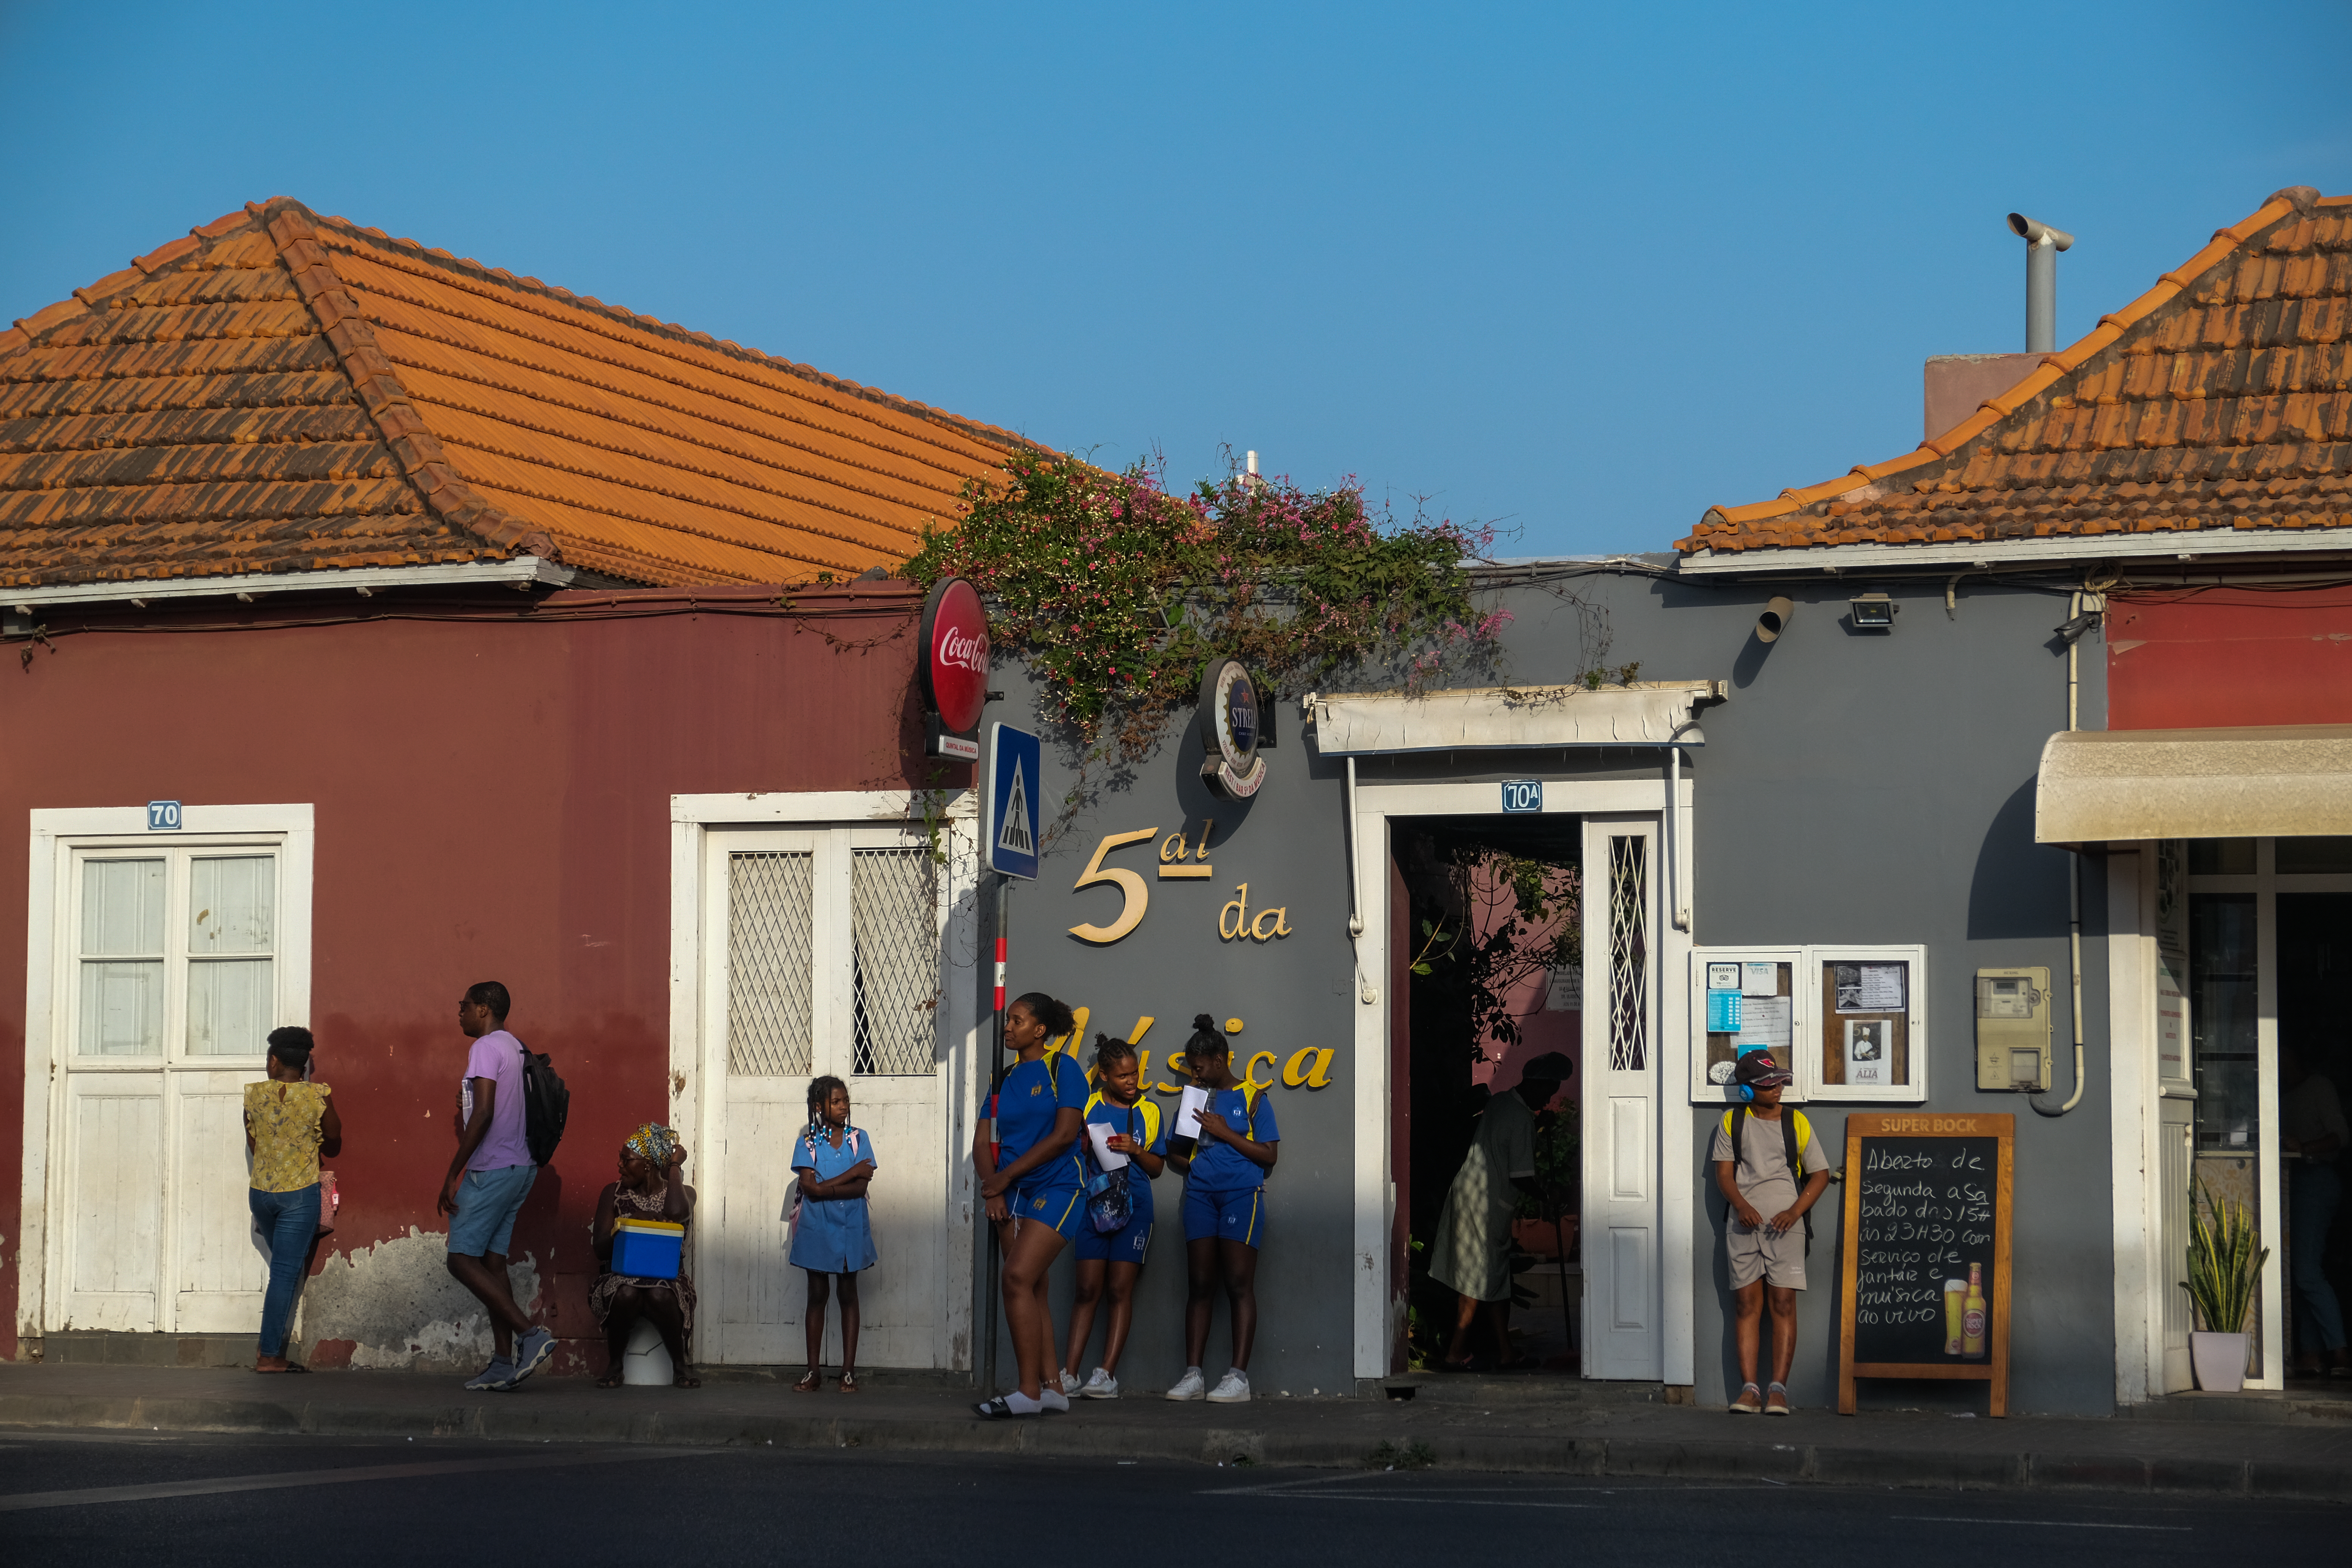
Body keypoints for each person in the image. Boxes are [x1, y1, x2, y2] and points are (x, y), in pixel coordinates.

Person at [972, 992, 1087, 1418]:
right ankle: (1053, 1388)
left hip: (1059, 1186)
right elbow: (983, 1141)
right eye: (1008, 1020)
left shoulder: (1064, 1068)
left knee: (1016, 1276)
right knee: (1032, 1285)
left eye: (1017, 1020)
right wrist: (995, 1188)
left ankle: (1027, 1392)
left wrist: (1006, 1175)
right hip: (1012, 1194)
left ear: (1039, 1029)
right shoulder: (1002, 1078)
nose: (1008, 1027)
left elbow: (1064, 1135)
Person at [437, 981, 553, 1392]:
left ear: (484, 1008)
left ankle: (530, 1334)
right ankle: (504, 1363)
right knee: (492, 1263)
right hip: (521, 1166)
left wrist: (454, 1170)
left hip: (493, 1168)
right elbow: (495, 1103)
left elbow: (485, 1112)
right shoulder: (515, 1046)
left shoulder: (484, 1047)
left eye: (464, 1005)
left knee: (459, 1260)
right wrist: (467, 1101)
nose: (460, 1012)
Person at [1427, 1052, 1573, 1372]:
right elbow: (1520, 1175)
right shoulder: (1521, 1119)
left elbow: (1504, 1137)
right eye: (1548, 1091)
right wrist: (1548, 1195)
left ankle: (1506, 1352)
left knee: (1494, 1277)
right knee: (1478, 1279)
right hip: (1486, 1205)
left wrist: (1537, 1123)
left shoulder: (1502, 1102)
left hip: (1471, 1197)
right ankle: (1455, 1353)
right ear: (1537, 1084)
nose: (1548, 1099)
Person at [1166, 1015, 1279, 1405]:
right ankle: (1193, 1374)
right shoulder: (1193, 1099)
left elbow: (1269, 1154)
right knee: (1199, 1284)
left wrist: (1226, 1131)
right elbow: (1176, 1153)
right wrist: (1194, 1164)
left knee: (1237, 1283)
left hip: (1241, 1196)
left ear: (1219, 1059)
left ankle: (1238, 1377)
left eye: (1198, 1068)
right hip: (1200, 1196)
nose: (1194, 1076)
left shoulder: (1253, 1097)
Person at [1712, 1050, 1830, 1415]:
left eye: (1779, 1080)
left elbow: (1820, 1173)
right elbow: (1725, 1174)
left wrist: (1795, 1211)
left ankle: (1778, 1389)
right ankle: (1750, 1390)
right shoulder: (1732, 1121)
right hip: (1743, 1226)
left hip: (1786, 1228)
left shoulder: (1797, 1122)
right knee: (1747, 1305)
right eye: (1767, 1084)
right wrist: (1741, 1205)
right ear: (1747, 1090)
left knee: (1783, 1303)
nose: (1777, 1088)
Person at [1061, 1033, 1168, 1399]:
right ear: (1104, 1075)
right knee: (1087, 1289)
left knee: (1119, 1290)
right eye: (1123, 1076)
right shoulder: (1087, 1107)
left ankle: (1106, 1374)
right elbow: (1070, 1157)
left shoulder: (1150, 1110)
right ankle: (1069, 1374)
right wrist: (1083, 1147)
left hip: (1135, 1207)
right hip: (1093, 1208)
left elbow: (1157, 1168)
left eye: (1135, 1073)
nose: (1132, 1081)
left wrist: (1135, 1149)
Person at [243, 1026, 341, 1373]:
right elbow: (333, 1137)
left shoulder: (254, 1095)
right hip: (299, 1196)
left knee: (281, 1270)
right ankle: (269, 1356)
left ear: (273, 1061)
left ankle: (269, 1350)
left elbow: (254, 1141)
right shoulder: (317, 1096)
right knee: (285, 1274)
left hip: (262, 1194)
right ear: (303, 1064)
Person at [590, 1122, 698, 1389]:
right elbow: (600, 1249)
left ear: (648, 1164)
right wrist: (627, 1225)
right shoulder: (612, 1194)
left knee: (659, 1293)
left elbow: (676, 1214)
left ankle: (679, 1366)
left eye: (627, 1160)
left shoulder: (684, 1195)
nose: (620, 1166)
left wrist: (673, 1167)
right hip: (620, 1276)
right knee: (627, 1292)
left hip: (669, 1280)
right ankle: (615, 1365)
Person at [789, 1075, 877, 1393]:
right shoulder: (808, 1144)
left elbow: (860, 1188)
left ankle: (848, 1371)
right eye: (836, 1102)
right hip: (817, 1229)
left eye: (846, 1101)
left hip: (851, 1228)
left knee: (848, 1294)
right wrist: (852, 1173)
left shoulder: (859, 1138)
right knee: (817, 1296)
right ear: (819, 1107)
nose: (843, 1107)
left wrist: (826, 1186)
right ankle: (813, 1372)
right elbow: (808, 1190)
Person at [2282, 1042, 2350, 1378]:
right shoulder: (2277, 1093)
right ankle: (2311, 1353)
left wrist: (2306, 1148)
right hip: (2290, 1183)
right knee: (2299, 1272)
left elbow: (2342, 1136)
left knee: (2307, 1271)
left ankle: (2339, 1351)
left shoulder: (2318, 1087)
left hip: (2317, 1180)